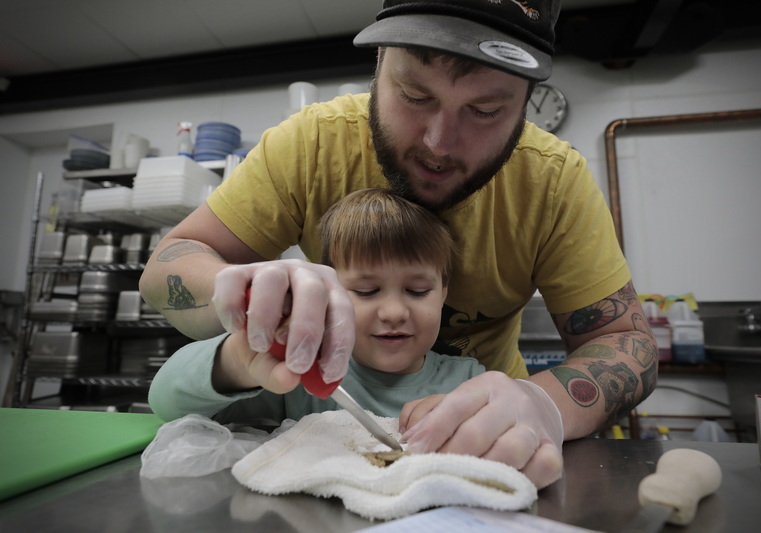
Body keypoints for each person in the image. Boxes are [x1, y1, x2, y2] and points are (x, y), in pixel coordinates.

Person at [140, 0, 657, 488]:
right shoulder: (314, 144)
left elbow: (626, 344)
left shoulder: (553, 181)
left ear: (525, 103)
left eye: (485, 110)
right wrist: (241, 297)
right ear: (379, 62)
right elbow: (167, 267)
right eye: (414, 96)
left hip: (496, 441)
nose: (438, 143)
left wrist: (542, 405)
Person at [148, 188, 485, 425]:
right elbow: (165, 402)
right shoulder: (297, 377)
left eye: (417, 290)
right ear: (327, 293)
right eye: (367, 291)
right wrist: (237, 360)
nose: (394, 312)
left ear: (442, 293)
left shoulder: (469, 380)